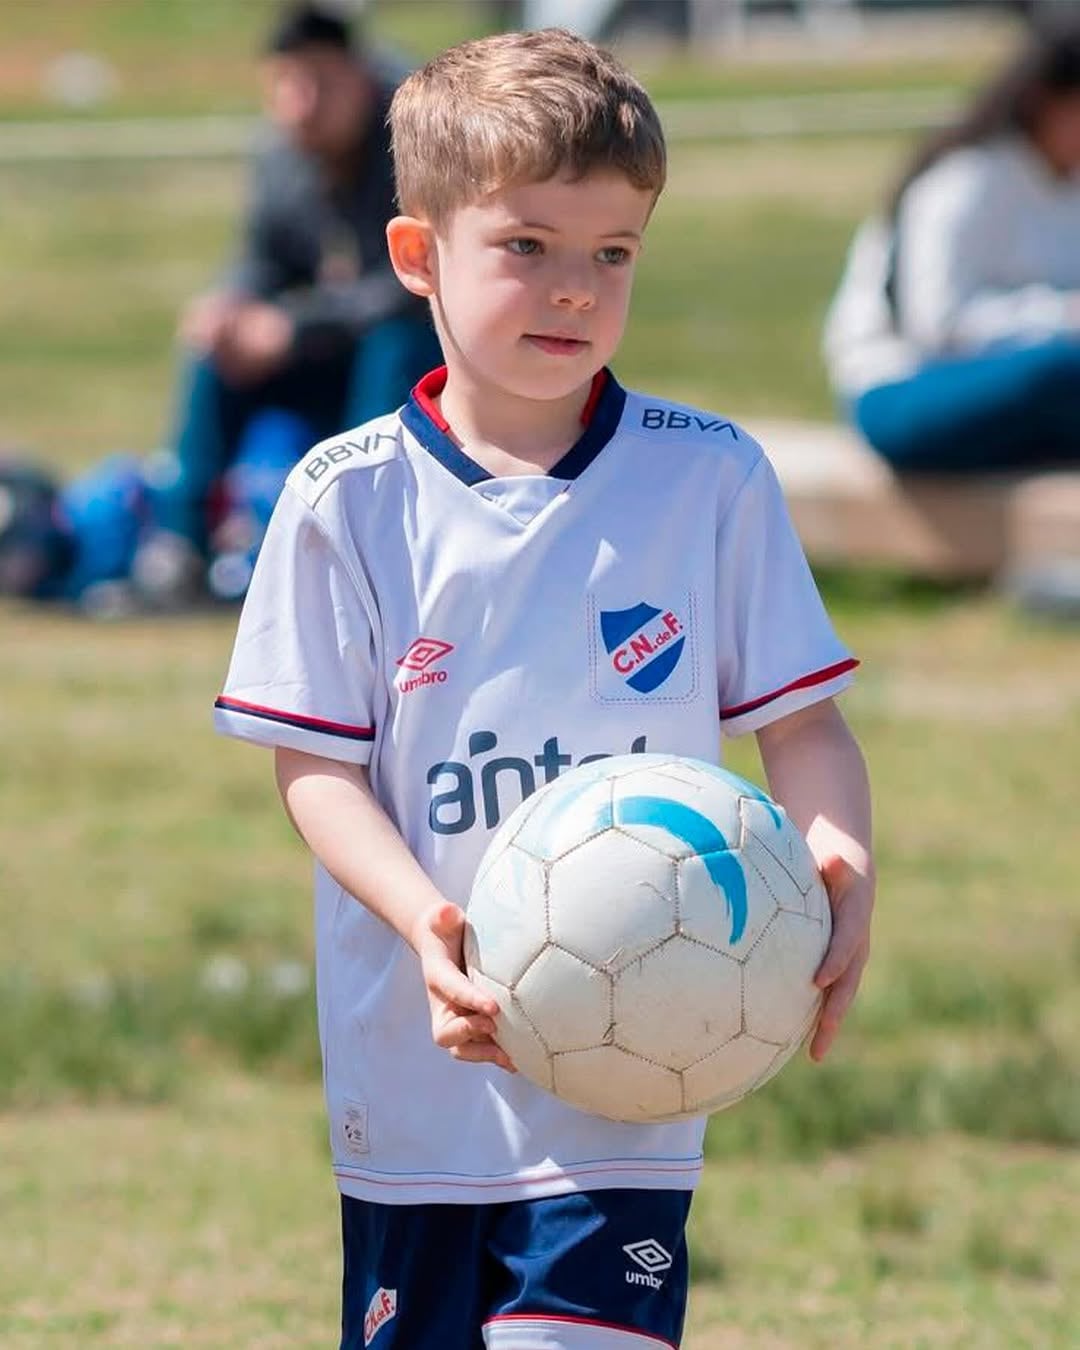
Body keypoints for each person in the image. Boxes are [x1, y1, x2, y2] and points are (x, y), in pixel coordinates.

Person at [214, 28, 875, 1349]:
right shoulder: (348, 499)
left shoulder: (707, 478)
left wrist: (839, 860)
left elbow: (804, 725)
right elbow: (318, 772)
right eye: (527, 246)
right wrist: (426, 924)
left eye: (612, 253)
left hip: (637, 1072)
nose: (575, 289)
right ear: (418, 256)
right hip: (422, 1074)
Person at [141, 2, 441, 599]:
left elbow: (417, 279)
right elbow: (262, 258)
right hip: (322, 351)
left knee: (395, 344)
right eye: (288, 84)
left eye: (321, 83)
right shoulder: (280, 154)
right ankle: (182, 544)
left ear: (359, 79)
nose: (303, 103)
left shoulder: (415, 146)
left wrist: (295, 326)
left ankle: (361, 532)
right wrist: (231, 305)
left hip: (411, 364)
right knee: (216, 349)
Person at [824, 19, 1080, 475]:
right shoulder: (964, 180)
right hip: (906, 387)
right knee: (1063, 369)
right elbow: (935, 325)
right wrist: (1061, 315)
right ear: (1044, 101)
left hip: (1019, 398)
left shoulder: (1069, 188)